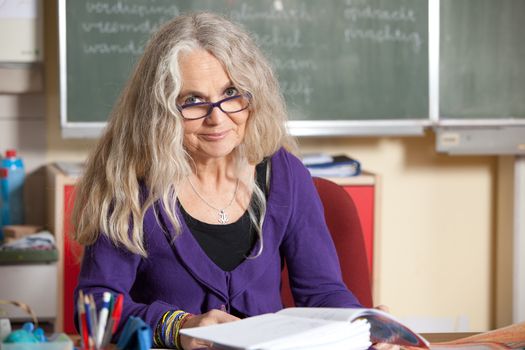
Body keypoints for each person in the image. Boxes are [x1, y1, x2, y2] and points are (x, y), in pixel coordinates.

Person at [73, 12, 363, 350]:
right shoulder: (130, 185)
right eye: (192, 101)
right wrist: (180, 326)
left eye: (232, 92)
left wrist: (365, 327)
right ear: (161, 111)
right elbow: (96, 305)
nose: (217, 117)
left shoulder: (285, 173)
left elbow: (323, 293)